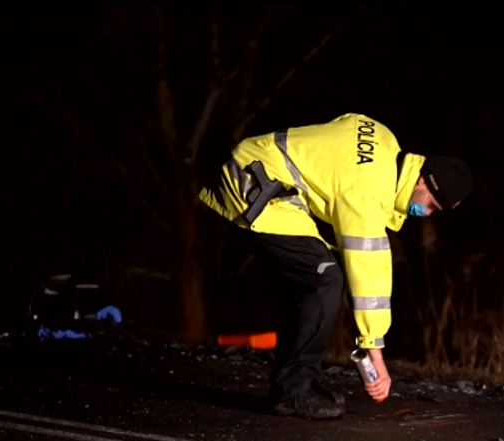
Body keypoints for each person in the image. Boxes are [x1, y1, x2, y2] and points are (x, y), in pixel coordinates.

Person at [198, 113, 473, 419]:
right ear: (422, 179)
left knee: (318, 273)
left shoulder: (383, 140)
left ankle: (291, 380)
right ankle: (295, 391)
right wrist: (374, 351)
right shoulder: (367, 191)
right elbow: (369, 270)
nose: (429, 213)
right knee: (324, 277)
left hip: (259, 166)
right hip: (255, 185)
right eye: (432, 204)